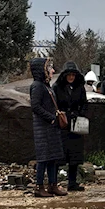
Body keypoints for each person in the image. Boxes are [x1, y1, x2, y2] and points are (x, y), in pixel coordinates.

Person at [29, 58, 67, 198]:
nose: (53, 70)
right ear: (42, 70)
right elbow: (35, 106)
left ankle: (53, 185)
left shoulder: (46, 85)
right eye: (49, 67)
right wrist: (51, 118)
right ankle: (39, 187)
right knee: (43, 159)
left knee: (53, 157)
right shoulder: (37, 86)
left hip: (51, 128)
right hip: (43, 128)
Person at [54, 61, 88, 192]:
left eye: (73, 75)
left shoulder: (79, 87)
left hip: (76, 123)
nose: (71, 77)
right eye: (69, 75)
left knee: (75, 155)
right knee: (59, 154)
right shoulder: (57, 87)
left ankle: (72, 182)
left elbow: (84, 103)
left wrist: (80, 114)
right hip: (62, 123)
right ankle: (54, 182)